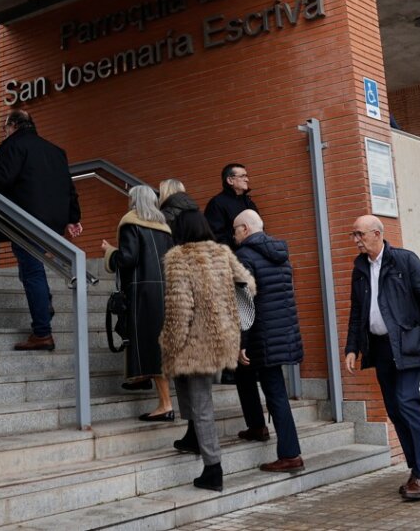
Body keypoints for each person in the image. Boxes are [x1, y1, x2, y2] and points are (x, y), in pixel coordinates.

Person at [343, 215, 420, 501]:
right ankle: (416, 469)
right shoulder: (360, 267)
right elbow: (357, 312)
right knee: (393, 407)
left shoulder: (405, 260)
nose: (356, 240)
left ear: (377, 233)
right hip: (380, 348)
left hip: (409, 345)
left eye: (360, 234)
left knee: (406, 402)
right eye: (354, 235)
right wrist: (352, 347)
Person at [160, 210, 256, 492]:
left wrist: (169, 342)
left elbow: (180, 308)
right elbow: (247, 286)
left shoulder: (179, 258)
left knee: (201, 405)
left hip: (194, 341)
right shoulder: (223, 253)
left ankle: (213, 468)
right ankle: (192, 437)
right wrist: (228, 317)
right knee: (185, 389)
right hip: (220, 339)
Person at [0, 109, 82, 351]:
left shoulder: (13, 146)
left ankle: (42, 332)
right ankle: (45, 303)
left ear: (12, 125)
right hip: (54, 221)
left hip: (27, 219)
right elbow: (69, 186)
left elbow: (2, 180)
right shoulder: (55, 151)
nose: (4, 132)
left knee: (31, 271)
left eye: (4, 128)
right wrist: (73, 217)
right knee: (30, 265)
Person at [232, 209, 305, 473]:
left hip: (263, 335)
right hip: (283, 333)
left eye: (236, 230)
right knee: (247, 376)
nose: (234, 235)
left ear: (245, 229)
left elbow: (244, 303)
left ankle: (290, 454)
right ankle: (256, 426)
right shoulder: (281, 254)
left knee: (275, 393)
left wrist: (242, 342)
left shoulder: (244, 256)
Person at [103, 185, 175, 420]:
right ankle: (140, 376)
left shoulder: (130, 222)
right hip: (164, 292)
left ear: (134, 201)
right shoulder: (165, 228)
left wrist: (109, 252)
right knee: (156, 343)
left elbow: (127, 258)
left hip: (141, 291)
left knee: (151, 345)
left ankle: (165, 405)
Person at [204, 163, 259, 246]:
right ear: (230, 180)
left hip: (255, 250)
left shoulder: (247, 201)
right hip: (235, 255)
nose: (247, 179)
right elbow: (214, 236)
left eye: (246, 176)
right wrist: (235, 240)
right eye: (242, 176)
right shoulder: (217, 203)